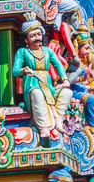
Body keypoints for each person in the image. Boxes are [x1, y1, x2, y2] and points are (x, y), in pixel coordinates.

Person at [14, 17, 73, 145]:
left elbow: (58, 65)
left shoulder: (47, 51)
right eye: (33, 35)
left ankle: (58, 122)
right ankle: (44, 127)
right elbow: (15, 70)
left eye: (39, 34)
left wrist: (64, 80)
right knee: (37, 94)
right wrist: (24, 71)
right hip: (31, 84)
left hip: (48, 86)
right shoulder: (23, 52)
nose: (37, 37)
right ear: (26, 39)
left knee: (67, 93)